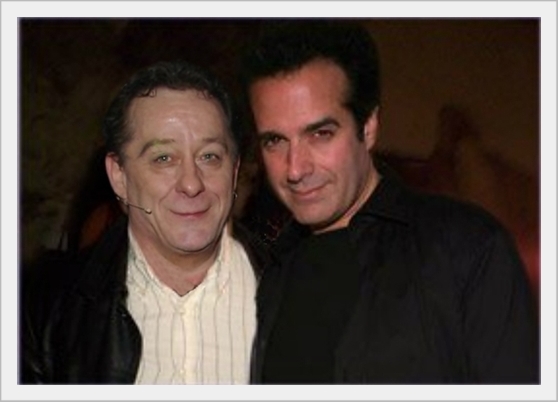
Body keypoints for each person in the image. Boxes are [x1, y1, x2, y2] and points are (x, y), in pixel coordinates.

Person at [240, 20, 539, 384]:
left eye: (320, 134)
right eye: (275, 141)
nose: (295, 168)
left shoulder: (467, 250)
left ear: (368, 128)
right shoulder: (268, 275)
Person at [20, 60, 267, 384]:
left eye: (209, 156)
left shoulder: (299, 294)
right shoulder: (43, 308)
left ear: (234, 172)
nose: (191, 183)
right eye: (163, 158)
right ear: (119, 177)